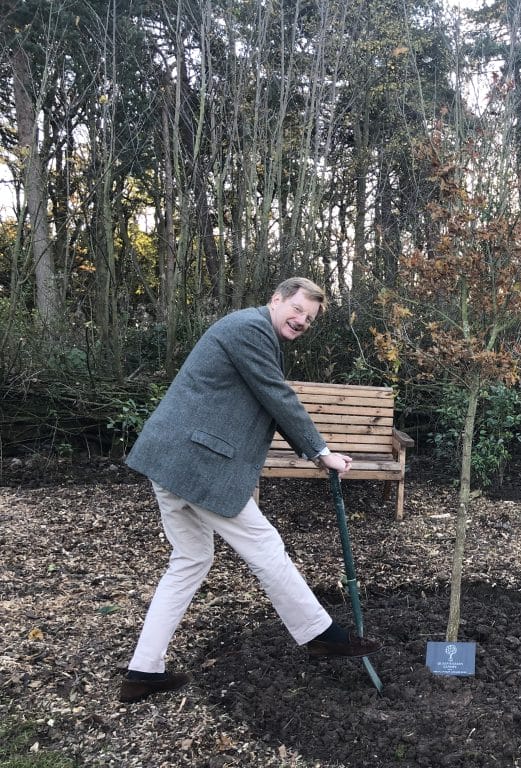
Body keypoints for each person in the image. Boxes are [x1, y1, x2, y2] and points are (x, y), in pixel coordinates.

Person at [118, 277, 381, 704]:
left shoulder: (254, 333)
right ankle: (320, 634)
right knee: (264, 545)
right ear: (275, 300)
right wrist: (322, 452)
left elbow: (261, 398)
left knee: (189, 560)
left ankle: (144, 671)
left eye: (310, 319)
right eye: (297, 309)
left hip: (171, 461)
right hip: (197, 462)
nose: (302, 321)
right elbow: (276, 395)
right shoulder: (249, 329)